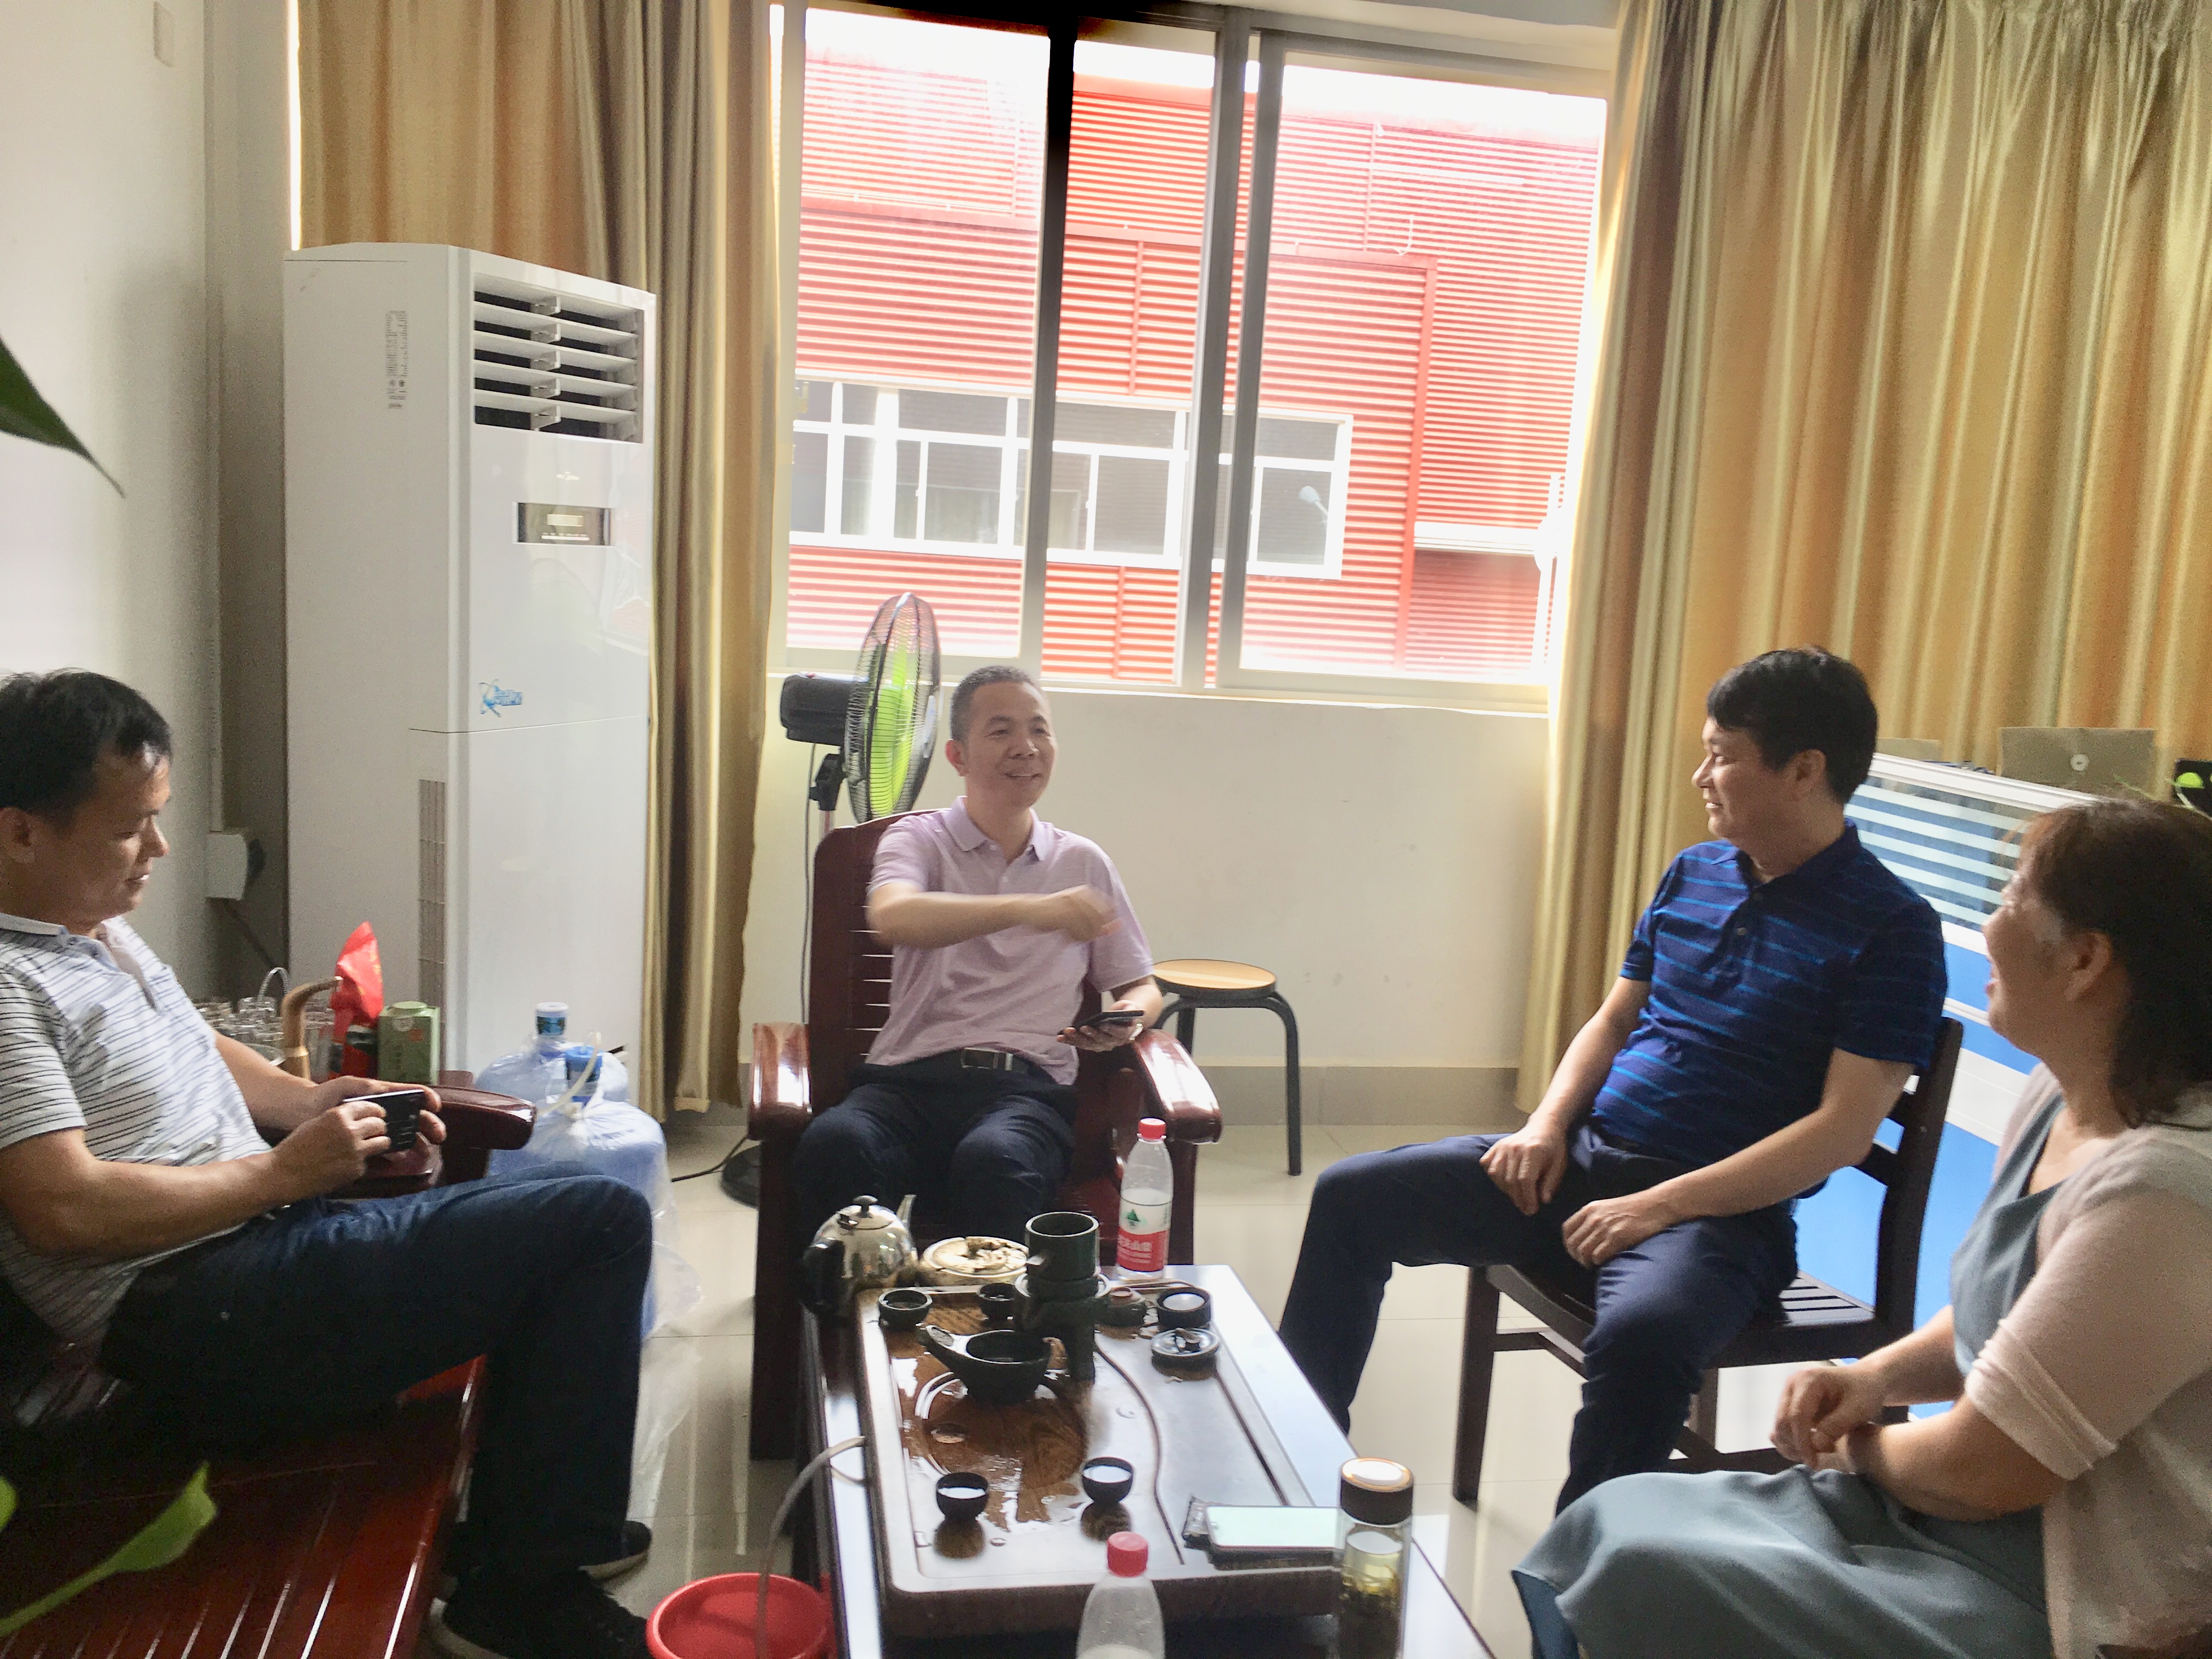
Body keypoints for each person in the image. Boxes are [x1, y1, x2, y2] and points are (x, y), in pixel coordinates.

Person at [0, 670, 654, 1659]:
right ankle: (521, 1595)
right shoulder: (10, 985)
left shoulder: (91, 932)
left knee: (552, 1222)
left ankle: (527, 1534)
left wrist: (310, 1103)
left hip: (258, 1255)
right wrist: (282, 1175)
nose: (160, 850)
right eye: (132, 828)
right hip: (195, 1316)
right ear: (21, 833)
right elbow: (63, 1211)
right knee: (593, 1223)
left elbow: (196, 1045)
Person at [1517, 796, 2212, 1659]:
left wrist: (1851, 1446)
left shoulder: (2165, 1191)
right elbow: (2015, 1326)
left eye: (2010, 898)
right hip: (1952, 1517)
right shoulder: (2063, 1095)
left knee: (1643, 1571)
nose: (1989, 926)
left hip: (2066, 1592)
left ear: (2084, 960)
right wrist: (1874, 1378)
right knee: (1612, 1518)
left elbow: (1984, 1471)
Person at [1277, 647, 1947, 1510]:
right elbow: (1615, 1020)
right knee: (1352, 1199)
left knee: (1645, 1339)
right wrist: (1546, 1126)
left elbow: (1842, 1132)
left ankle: (1582, 1574)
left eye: (1723, 756)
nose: (1702, 777)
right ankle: (1291, 1465)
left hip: (1718, 1220)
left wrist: (1658, 1206)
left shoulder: (1893, 928)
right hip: (1583, 1163)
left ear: (1804, 771)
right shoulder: (1695, 872)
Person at [790, 664, 1163, 1244]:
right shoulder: (918, 839)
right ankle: (855, 1303)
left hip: (1025, 1093)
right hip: (906, 1085)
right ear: (957, 756)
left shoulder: (1082, 861)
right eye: (1002, 730)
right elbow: (892, 916)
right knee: (836, 1144)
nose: (1026, 747)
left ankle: (993, 1306)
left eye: (1040, 729)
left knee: (995, 1161)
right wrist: (1029, 909)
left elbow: (1141, 985)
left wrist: (1126, 1022)